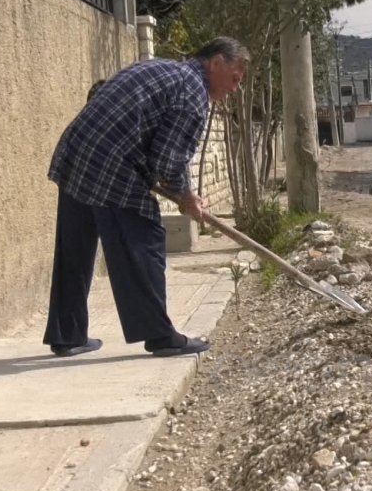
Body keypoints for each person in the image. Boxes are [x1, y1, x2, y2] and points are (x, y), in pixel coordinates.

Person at [44, 37, 248, 357]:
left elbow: (99, 94)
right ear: (216, 62)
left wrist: (182, 193)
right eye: (235, 78)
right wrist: (186, 197)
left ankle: (67, 335)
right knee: (143, 240)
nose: (235, 88)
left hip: (76, 151)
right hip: (110, 166)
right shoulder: (192, 93)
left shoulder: (164, 68)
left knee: (75, 249)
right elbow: (169, 160)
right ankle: (160, 335)